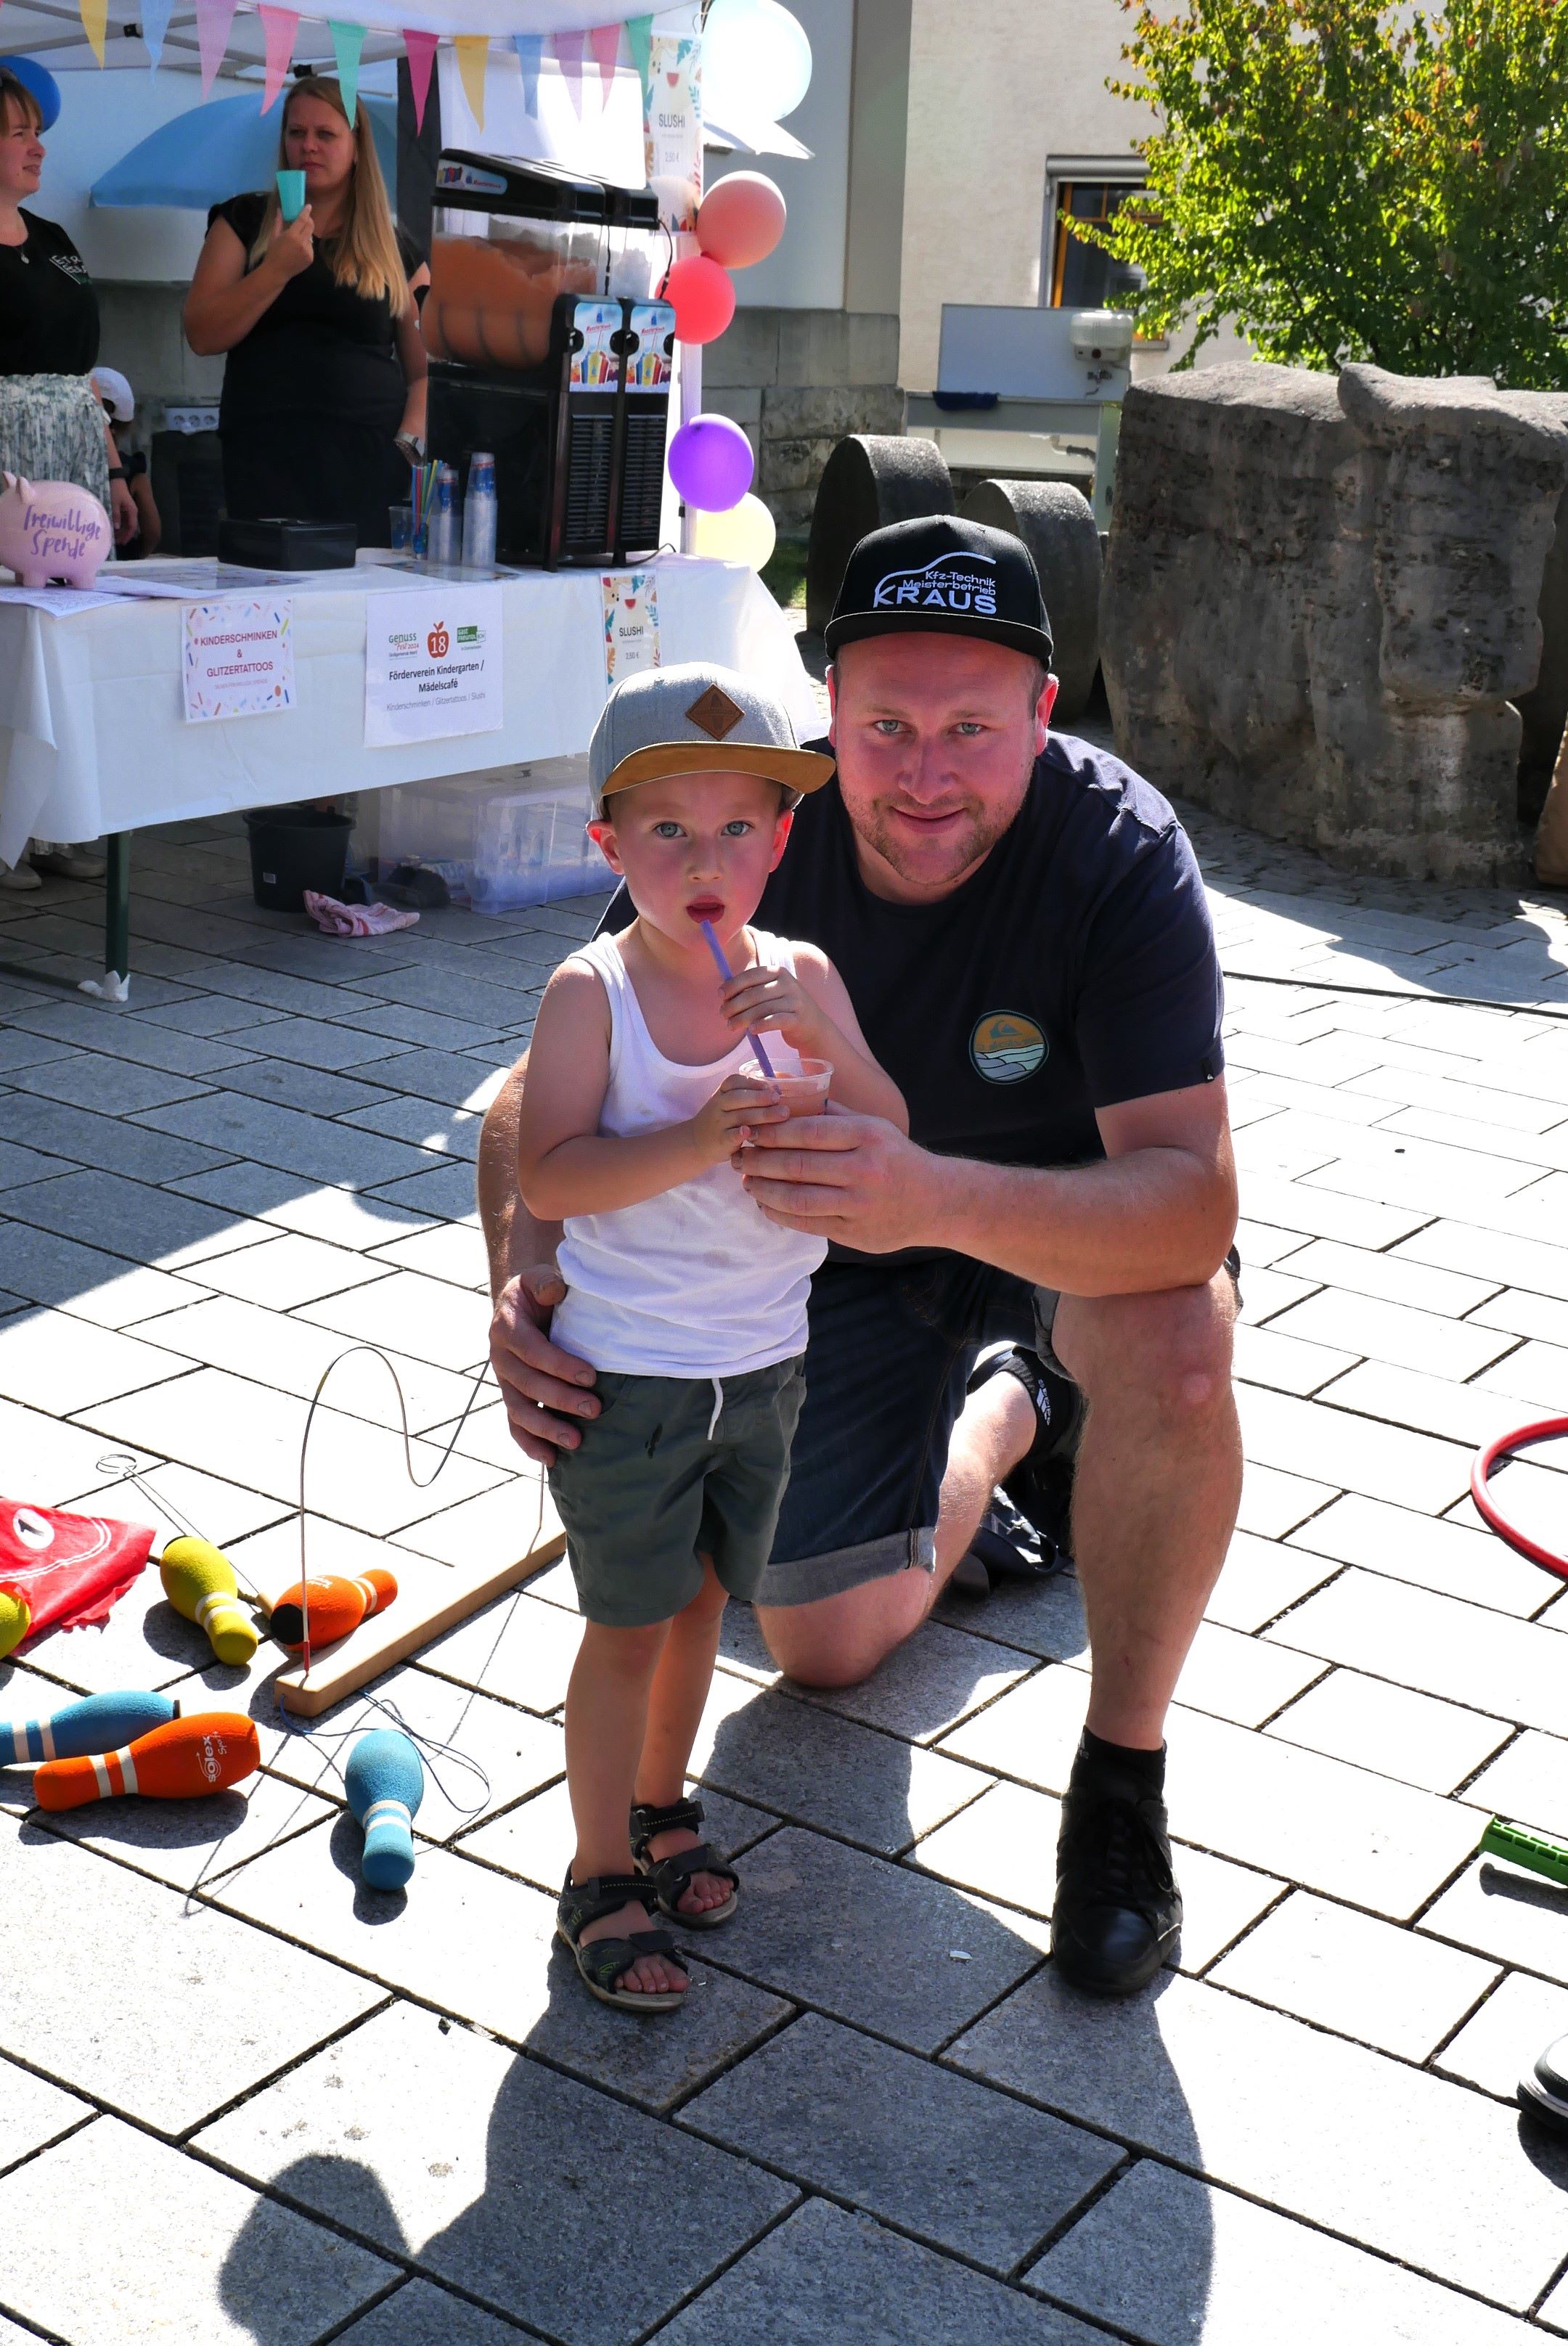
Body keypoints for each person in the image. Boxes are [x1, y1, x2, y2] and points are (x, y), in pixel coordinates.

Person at [481, 517, 1241, 1999]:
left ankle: (1122, 1791)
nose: (928, 771)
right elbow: (538, 1092)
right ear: (828, 712)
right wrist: (526, 1274)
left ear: (1045, 711)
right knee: (819, 1644)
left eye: (972, 724)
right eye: (887, 724)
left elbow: (1189, 1204)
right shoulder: (745, 819)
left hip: (1055, 1223)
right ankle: (1017, 1407)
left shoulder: (1121, 850)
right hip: (844, 1249)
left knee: (1175, 1339)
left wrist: (928, 1188)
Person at [523, 661, 905, 2012]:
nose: (707, 859)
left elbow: (891, 1129)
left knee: (698, 1603)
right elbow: (552, 1174)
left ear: (782, 840)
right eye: (668, 831)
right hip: (633, 1371)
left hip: (765, 1360)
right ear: (609, 847)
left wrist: (819, 1042)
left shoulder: (799, 972)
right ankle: (593, 1868)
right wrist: (690, 1140)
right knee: (628, 1621)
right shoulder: (595, 995)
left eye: (738, 827)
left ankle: (657, 1798)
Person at [183, 74, 428, 549]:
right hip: (264, 455)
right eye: (296, 133)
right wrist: (275, 270)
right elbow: (202, 334)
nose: (307, 146)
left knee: (358, 605)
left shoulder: (396, 249)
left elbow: (427, 371)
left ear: (357, 146)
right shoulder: (245, 221)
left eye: (325, 134)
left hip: (368, 460)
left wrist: (408, 446)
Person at [0, 65, 134, 891]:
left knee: (60, 644)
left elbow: (85, 371)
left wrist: (117, 472)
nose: (37, 146)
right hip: (6, 468)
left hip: (72, 463)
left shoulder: (53, 239)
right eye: (17, 133)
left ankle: (49, 820)